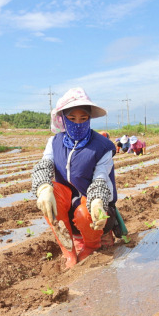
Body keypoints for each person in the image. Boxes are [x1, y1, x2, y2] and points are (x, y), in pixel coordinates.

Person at [31, 87, 119, 269]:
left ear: (89, 119)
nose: (78, 123)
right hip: (67, 206)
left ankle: (93, 244)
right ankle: (68, 250)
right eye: (72, 119)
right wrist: (43, 189)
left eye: (83, 118)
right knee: (50, 195)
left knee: (84, 213)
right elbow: (45, 164)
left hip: (93, 211)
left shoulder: (102, 147)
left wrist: (96, 203)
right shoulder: (54, 142)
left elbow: (100, 178)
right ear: (63, 118)